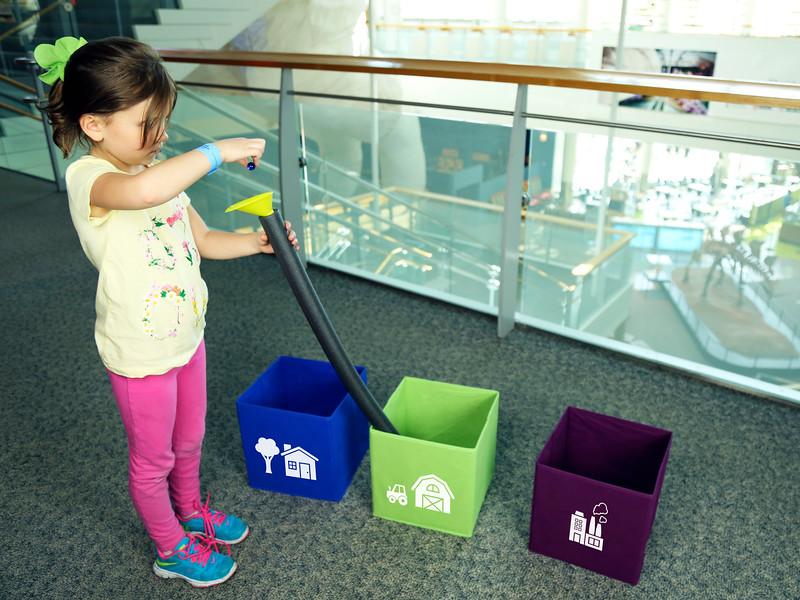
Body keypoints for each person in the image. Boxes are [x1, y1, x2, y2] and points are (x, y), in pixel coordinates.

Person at [34, 35, 298, 588]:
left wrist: (253, 243)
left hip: (185, 338)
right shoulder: (91, 180)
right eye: (147, 123)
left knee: (190, 440)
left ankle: (191, 511)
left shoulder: (158, 173)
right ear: (94, 125)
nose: (161, 136)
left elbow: (201, 240)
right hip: (139, 351)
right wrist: (216, 151)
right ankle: (171, 547)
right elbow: (147, 191)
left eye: (164, 120)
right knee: (151, 459)